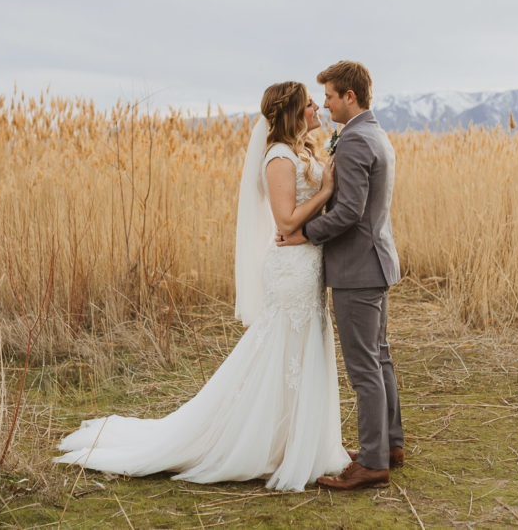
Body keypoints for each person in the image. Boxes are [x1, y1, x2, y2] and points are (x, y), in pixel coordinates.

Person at [54, 82, 350, 492]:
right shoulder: (279, 158)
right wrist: (328, 191)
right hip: (291, 267)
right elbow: (285, 222)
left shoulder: (304, 152)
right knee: (283, 349)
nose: (319, 107)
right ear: (296, 112)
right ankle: (259, 442)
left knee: (305, 349)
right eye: (311, 103)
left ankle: (298, 440)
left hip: (308, 264)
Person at [278, 60, 404, 491]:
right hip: (376, 261)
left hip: (357, 268)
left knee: (364, 366)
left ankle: (372, 463)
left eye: (330, 96)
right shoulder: (375, 133)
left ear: (350, 96)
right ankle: (388, 445)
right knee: (379, 357)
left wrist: (305, 234)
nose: (326, 104)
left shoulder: (353, 142)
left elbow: (349, 211)